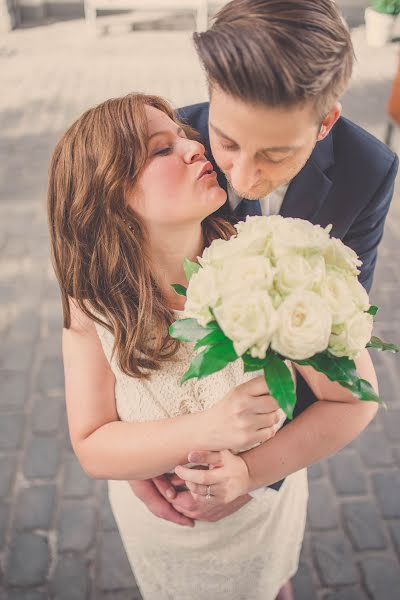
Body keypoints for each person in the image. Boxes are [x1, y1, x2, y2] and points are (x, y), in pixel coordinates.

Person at [48, 92, 378, 600]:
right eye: (161, 149)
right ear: (106, 194)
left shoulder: (272, 267)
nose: (194, 147)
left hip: (259, 522)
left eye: (185, 135)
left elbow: (354, 400)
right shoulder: (93, 306)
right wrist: (207, 429)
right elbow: (92, 442)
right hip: (162, 532)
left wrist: (249, 472)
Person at [128, 0, 399, 551]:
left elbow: (332, 330)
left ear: (326, 122)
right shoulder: (170, 149)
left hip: (269, 429)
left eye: (276, 154)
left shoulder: (368, 171)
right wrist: (138, 450)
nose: (244, 176)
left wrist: (257, 470)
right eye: (226, 143)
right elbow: (121, 294)